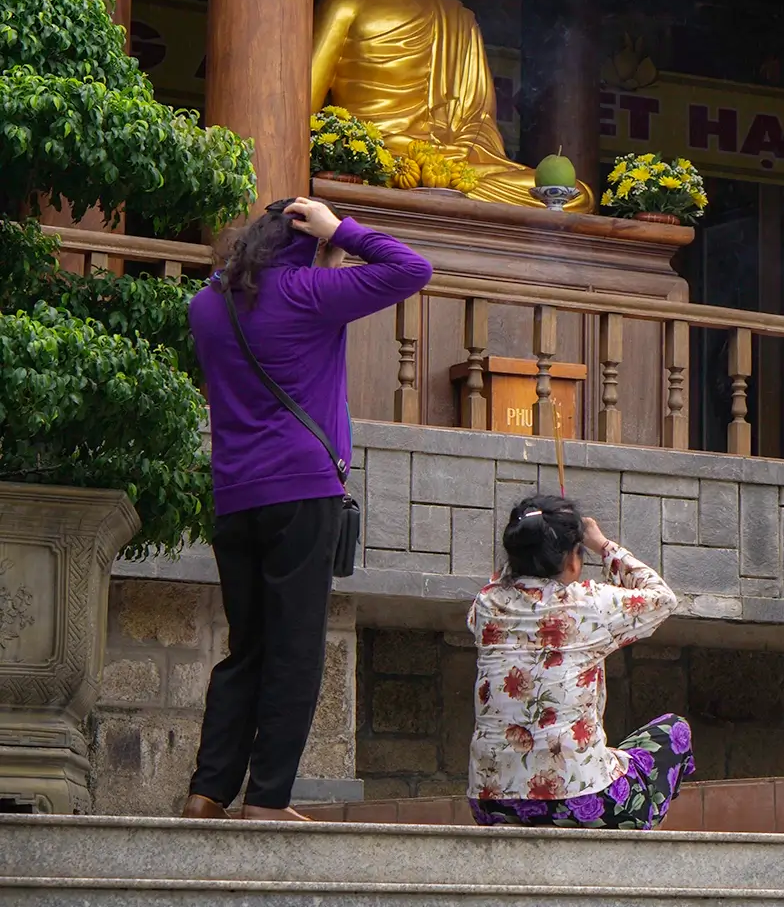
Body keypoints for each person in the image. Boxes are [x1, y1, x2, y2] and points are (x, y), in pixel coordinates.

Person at [181, 197, 432, 822]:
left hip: (235, 496)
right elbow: (412, 269)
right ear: (307, 242)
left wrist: (321, 249)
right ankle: (267, 801)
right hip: (301, 490)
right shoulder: (308, 292)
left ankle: (207, 793)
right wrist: (338, 229)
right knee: (294, 649)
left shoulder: (206, 305)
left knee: (249, 648)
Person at [467, 494, 694, 830]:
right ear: (572, 560)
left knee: (611, 755)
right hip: (577, 802)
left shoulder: (486, 605)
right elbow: (662, 599)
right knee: (674, 731)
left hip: (491, 802)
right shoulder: (588, 602)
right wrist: (602, 545)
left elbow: (501, 582)